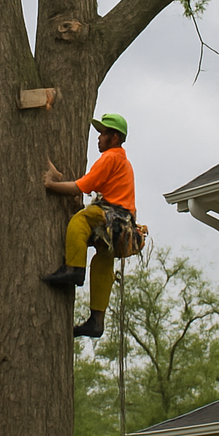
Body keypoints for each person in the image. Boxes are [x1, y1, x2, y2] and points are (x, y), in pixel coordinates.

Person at [42, 112, 137, 338]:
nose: (99, 138)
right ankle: (96, 320)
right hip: (123, 221)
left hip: (113, 214)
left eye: (103, 134)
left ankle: (73, 269)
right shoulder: (122, 161)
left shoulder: (110, 157)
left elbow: (80, 187)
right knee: (103, 259)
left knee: (81, 219)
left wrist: (50, 185)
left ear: (114, 138)